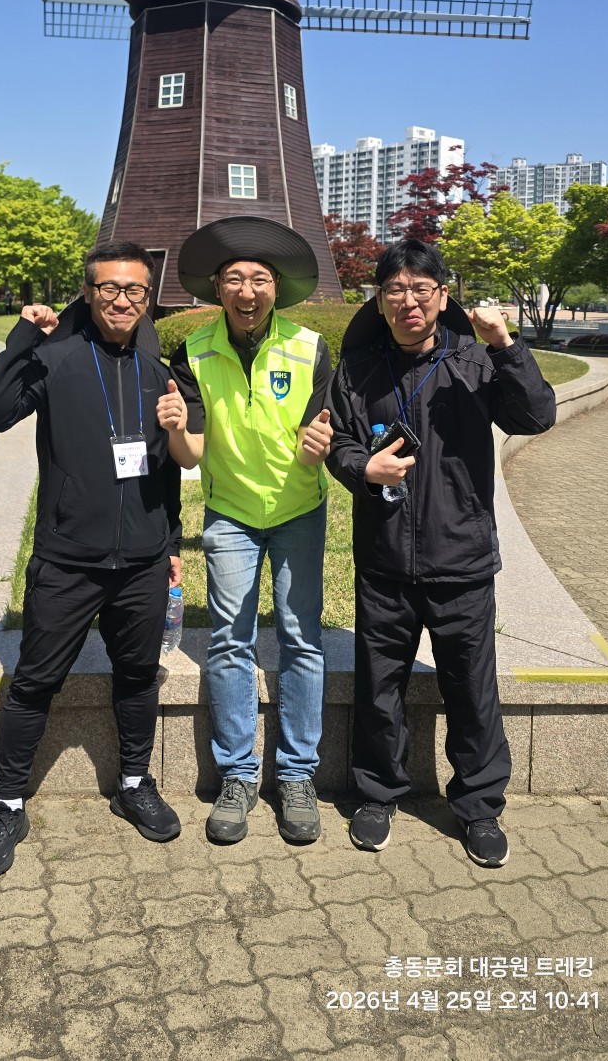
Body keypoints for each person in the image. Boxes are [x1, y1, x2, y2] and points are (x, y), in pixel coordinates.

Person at [327, 238, 556, 867]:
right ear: (379, 300)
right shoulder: (358, 369)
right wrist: (362, 467)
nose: (409, 302)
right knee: (379, 688)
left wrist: (506, 345)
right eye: (395, 290)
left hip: (462, 560)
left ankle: (479, 806)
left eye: (421, 290)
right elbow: (338, 441)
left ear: (442, 296)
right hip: (384, 561)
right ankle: (377, 795)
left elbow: (536, 417)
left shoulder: (475, 362)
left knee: (472, 690)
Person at [0, 241, 182, 878]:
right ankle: (7, 804)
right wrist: (21, 340)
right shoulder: (56, 358)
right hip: (67, 559)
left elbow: (165, 467)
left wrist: (171, 542)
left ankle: (135, 783)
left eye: (135, 290)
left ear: (148, 298)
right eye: (109, 288)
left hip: (143, 560)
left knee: (138, 675)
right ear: (88, 293)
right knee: (35, 680)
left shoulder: (157, 368)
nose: (122, 300)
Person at [157, 217, 333, 846]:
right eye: (235, 279)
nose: (247, 290)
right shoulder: (194, 351)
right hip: (230, 512)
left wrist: (317, 445)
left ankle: (298, 775)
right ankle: (238, 774)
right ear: (217, 287)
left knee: (301, 640)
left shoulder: (310, 347)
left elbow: (318, 429)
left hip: (297, 509)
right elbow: (192, 451)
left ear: (277, 288)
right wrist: (175, 429)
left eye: (259, 279)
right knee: (229, 640)